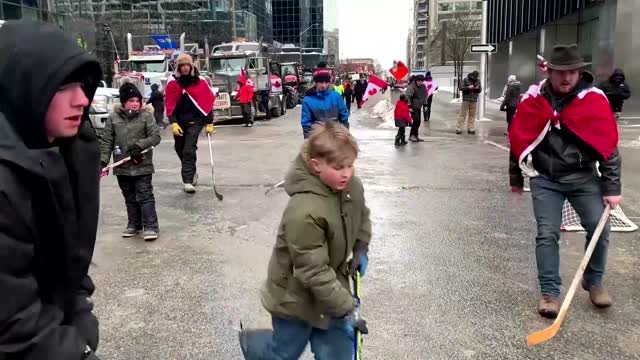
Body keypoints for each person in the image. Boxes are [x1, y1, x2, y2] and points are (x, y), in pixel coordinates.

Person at [0, 20, 103, 359]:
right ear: (24, 88)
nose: (82, 99)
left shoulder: (68, 151)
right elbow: (12, 321)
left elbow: (70, 261)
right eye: (63, 87)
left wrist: (80, 313)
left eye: (85, 85)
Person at [239, 122, 371, 360]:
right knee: (283, 354)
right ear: (316, 165)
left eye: (350, 165)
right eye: (338, 167)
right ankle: (257, 347)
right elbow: (313, 270)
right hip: (295, 299)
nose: (346, 173)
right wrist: (347, 308)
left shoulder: (351, 187)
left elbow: (361, 215)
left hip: (330, 292)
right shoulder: (304, 210)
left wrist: (361, 246)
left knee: (337, 354)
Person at [508, 44, 621, 319]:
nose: (566, 78)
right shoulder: (533, 100)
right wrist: (516, 177)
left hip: (583, 178)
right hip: (545, 178)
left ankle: (593, 281)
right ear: (550, 71)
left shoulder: (594, 100)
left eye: (572, 71)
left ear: (580, 71)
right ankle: (549, 293)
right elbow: (519, 138)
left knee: (598, 227)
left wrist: (611, 187)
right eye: (560, 72)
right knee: (547, 233)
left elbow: (609, 145)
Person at [100, 83, 162, 241]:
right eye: (132, 100)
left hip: (142, 165)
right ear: (123, 102)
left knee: (145, 195)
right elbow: (107, 141)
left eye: (138, 100)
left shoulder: (146, 116)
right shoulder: (113, 118)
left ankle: (150, 226)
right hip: (122, 166)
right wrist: (102, 161)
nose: (136, 104)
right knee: (129, 197)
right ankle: (134, 224)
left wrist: (139, 146)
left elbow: (155, 136)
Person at [164, 53, 216, 194]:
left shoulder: (200, 81)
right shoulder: (172, 83)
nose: (185, 68)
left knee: (188, 149)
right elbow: (170, 105)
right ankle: (191, 170)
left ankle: (187, 180)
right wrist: (173, 123)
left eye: (187, 65)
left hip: (195, 121)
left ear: (191, 66)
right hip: (179, 122)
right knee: (179, 148)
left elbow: (207, 103)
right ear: (178, 68)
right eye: (182, 66)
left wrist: (209, 123)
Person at [300, 62, 349, 138]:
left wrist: (345, 136)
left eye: (326, 82)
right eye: (320, 82)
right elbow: (306, 124)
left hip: (335, 138)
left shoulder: (336, 97)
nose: (323, 85)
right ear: (316, 82)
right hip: (318, 141)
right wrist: (309, 142)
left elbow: (344, 118)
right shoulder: (308, 100)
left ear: (329, 82)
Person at [404, 74, 428, 142]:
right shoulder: (412, 87)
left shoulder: (423, 86)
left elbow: (425, 96)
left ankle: (416, 135)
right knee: (416, 121)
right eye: (418, 81)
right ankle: (412, 136)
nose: (419, 83)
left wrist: (425, 105)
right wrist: (409, 106)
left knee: (418, 122)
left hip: (418, 106)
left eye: (421, 81)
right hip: (412, 106)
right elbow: (407, 96)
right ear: (416, 80)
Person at [457, 70, 481, 135]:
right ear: (472, 75)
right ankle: (459, 128)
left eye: (477, 77)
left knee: (472, 115)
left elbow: (480, 90)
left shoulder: (478, 81)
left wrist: (477, 88)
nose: (476, 78)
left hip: (474, 100)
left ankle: (471, 128)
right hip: (466, 99)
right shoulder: (465, 80)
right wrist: (468, 87)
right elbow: (460, 87)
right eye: (475, 77)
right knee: (463, 114)